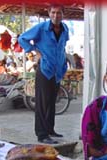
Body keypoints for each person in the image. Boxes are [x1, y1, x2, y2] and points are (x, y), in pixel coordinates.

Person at [18, 4, 69, 144]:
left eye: (59, 13)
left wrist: (64, 62)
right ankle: (42, 134)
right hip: (45, 69)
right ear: (49, 13)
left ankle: (50, 130)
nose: (56, 15)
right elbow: (22, 38)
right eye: (53, 12)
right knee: (42, 103)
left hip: (58, 71)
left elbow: (62, 46)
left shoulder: (65, 29)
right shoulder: (41, 28)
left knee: (52, 101)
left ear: (63, 14)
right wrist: (35, 51)